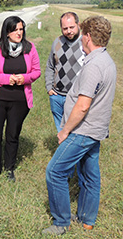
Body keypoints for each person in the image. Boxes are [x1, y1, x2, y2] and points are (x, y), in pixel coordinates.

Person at [42, 16, 116, 235]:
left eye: (83, 34)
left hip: (83, 131)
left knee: (55, 171)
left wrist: (65, 130)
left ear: (88, 36)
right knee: (90, 175)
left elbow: (83, 105)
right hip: (97, 130)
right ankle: (86, 219)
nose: (81, 39)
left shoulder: (94, 65)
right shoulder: (107, 61)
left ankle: (61, 222)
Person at [0, 16, 41, 182]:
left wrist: (25, 78)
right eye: (15, 29)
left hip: (20, 100)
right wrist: (6, 79)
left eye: (21, 29)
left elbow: (36, 71)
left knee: (12, 134)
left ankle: (9, 168)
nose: (19, 33)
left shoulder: (30, 48)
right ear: (7, 32)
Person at [45, 12, 85, 132]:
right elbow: (50, 66)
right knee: (61, 131)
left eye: (71, 27)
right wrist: (49, 87)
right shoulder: (57, 42)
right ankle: (62, 149)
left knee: (75, 132)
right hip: (56, 96)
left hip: (75, 98)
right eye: (65, 28)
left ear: (78, 24)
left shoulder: (86, 43)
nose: (68, 31)